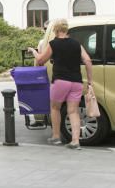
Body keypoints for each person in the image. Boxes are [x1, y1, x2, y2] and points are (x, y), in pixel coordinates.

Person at [29, 18, 94, 149]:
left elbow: (41, 60)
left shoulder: (54, 44)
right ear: (66, 29)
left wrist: (34, 51)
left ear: (56, 30)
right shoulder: (77, 44)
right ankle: (76, 141)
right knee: (73, 111)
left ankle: (56, 137)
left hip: (60, 82)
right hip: (76, 82)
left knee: (55, 108)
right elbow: (88, 60)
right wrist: (90, 81)